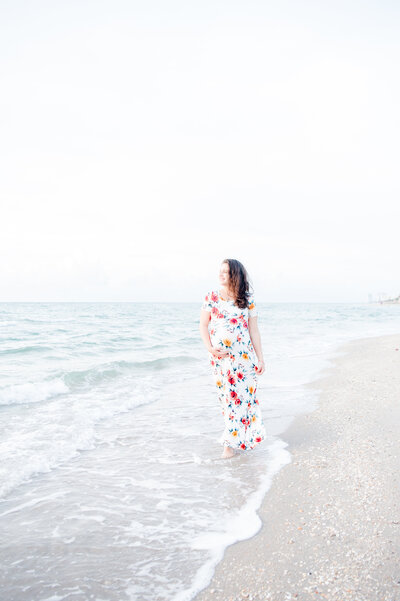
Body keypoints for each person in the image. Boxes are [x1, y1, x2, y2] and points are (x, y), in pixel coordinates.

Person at [199, 259, 266, 459]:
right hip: (222, 359)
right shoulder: (211, 297)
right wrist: (210, 348)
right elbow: (203, 325)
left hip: (245, 358)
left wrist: (260, 358)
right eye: (220, 271)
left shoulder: (247, 299)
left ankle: (241, 439)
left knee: (245, 399)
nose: (220, 275)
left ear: (234, 275)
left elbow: (253, 330)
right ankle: (229, 445)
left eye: (225, 272)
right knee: (228, 399)